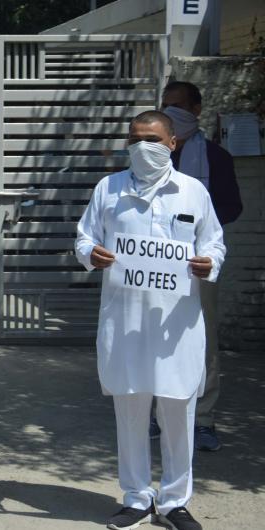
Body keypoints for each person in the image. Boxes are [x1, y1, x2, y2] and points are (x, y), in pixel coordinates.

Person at [75, 111, 225, 530]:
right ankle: (137, 498)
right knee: (131, 413)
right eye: (136, 138)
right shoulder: (110, 188)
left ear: (172, 143)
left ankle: (176, 502)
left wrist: (208, 263)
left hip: (176, 326)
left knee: (179, 414)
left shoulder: (193, 192)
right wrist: (91, 254)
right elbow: (85, 236)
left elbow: (214, 242)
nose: (144, 146)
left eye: (153, 139)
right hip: (126, 323)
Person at [160, 81, 243, 452]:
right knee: (156, 336)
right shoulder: (155, 155)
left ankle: (203, 419)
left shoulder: (215, 157)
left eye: (178, 106)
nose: (171, 113)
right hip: (156, 263)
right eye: (166, 106)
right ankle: (157, 414)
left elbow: (231, 206)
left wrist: (198, 226)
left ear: (196, 109)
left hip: (198, 262)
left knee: (203, 338)